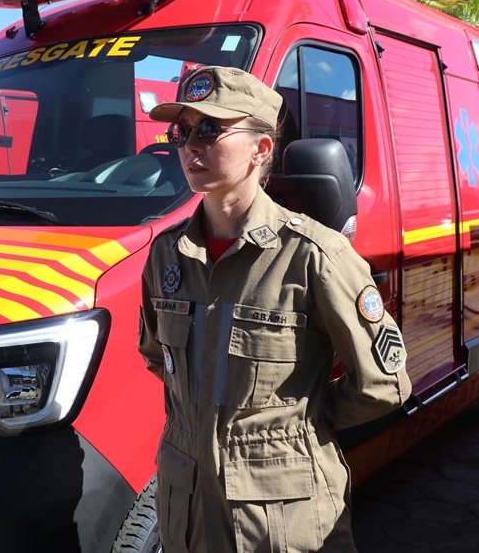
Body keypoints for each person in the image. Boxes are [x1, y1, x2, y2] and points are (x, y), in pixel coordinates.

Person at [138, 66, 412, 553]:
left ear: (261, 150)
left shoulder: (313, 255)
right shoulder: (166, 256)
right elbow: (158, 356)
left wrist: (297, 426)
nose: (191, 145)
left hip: (279, 517)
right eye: (182, 131)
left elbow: (382, 384)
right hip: (188, 508)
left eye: (210, 129)